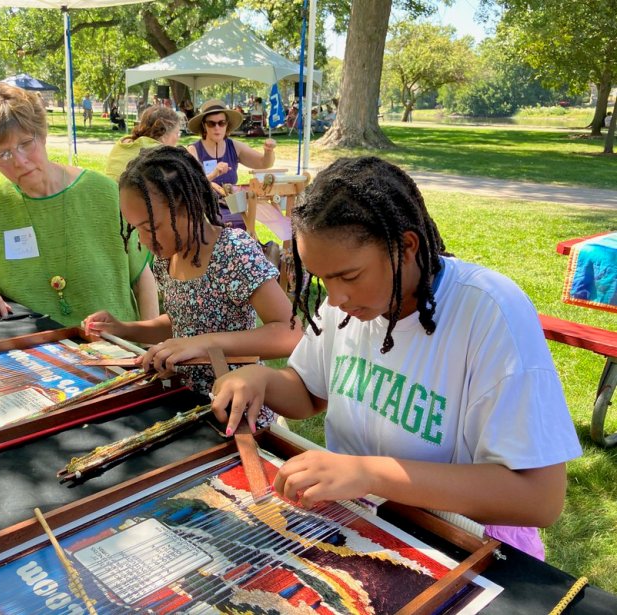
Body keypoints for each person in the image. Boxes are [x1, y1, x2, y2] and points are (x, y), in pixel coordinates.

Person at [211, 156, 582, 560]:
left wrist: (368, 474)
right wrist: (260, 380)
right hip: (365, 526)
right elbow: (308, 392)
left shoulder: (490, 312)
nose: (334, 299)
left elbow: (538, 498)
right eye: (323, 279)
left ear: (406, 247)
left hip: (462, 543)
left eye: (349, 277)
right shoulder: (349, 305)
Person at [85, 146, 303, 424]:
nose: (144, 239)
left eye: (151, 227)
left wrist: (206, 344)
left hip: (236, 412)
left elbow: (290, 333)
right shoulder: (167, 256)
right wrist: (123, 329)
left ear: (190, 206)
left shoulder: (232, 251)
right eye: (136, 228)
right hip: (183, 404)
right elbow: (181, 323)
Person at [0, 83, 158, 327]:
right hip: (36, 357)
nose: (20, 161)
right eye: (3, 154)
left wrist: (151, 346)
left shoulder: (106, 195)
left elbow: (142, 278)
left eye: (26, 143)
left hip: (114, 352)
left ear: (42, 134)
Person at [187, 99, 277, 228]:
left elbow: (263, 163)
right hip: (206, 211)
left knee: (242, 227)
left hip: (233, 207)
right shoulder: (193, 150)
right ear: (204, 126)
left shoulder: (234, 146)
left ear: (227, 125)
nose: (217, 127)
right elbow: (192, 185)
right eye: (211, 123)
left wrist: (268, 151)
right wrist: (213, 174)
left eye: (221, 123)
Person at [104, 105, 181, 180]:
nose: (178, 138)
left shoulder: (123, 142)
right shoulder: (160, 153)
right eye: (177, 133)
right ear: (164, 134)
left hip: (110, 191)